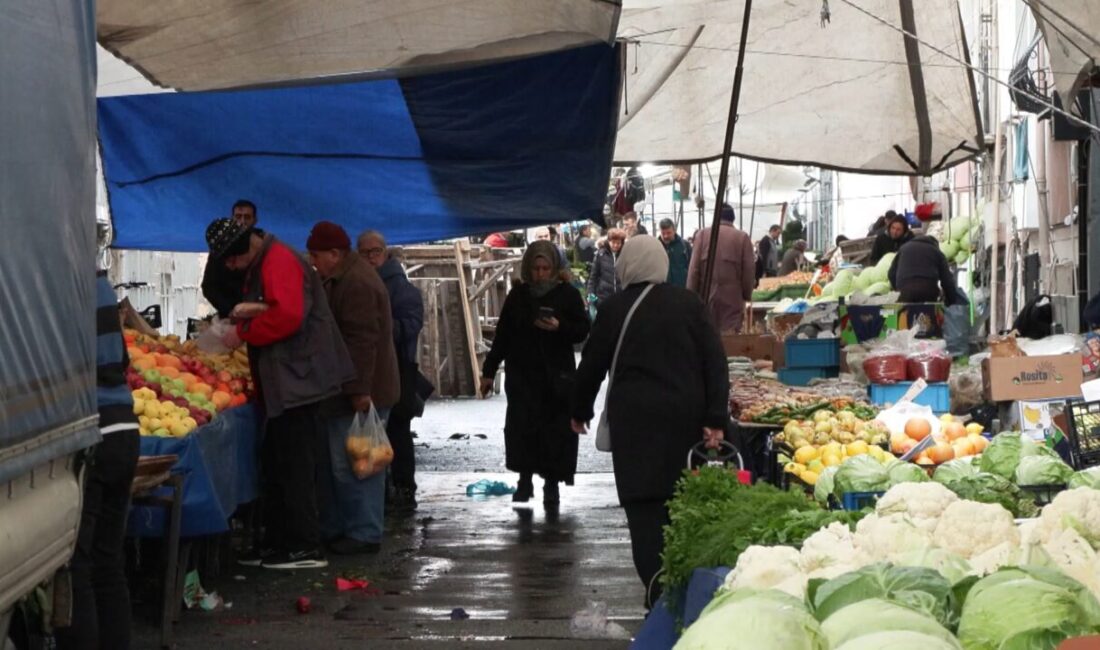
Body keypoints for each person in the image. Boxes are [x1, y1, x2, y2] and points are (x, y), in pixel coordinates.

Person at [570, 235, 729, 609]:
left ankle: (658, 593)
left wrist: (579, 410)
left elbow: (591, 364)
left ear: (626, 265)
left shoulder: (614, 308)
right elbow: (715, 362)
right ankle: (687, 591)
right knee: (683, 506)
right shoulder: (689, 305)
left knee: (643, 512)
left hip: (635, 427)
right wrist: (715, 418)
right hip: (684, 422)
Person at [206, 218, 355, 569]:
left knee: (294, 462)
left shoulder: (279, 261)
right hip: (286, 380)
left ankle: (303, 545)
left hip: (298, 379)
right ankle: (279, 541)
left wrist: (243, 332)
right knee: (277, 460)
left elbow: (288, 316)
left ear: (243, 250)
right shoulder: (269, 259)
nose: (229, 267)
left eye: (230, 260)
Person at [55, 273, 142, 650]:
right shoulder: (99, 283)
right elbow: (119, 358)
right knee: (108, 561)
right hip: (124, 425)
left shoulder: (59, 280)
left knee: (79, 564)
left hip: (91, 431)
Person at [306, 222, 401, 554]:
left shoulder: (356, 283)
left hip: (359, 392)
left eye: (317, 255)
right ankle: (349, 529)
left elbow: (362, 342)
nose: (314, 262)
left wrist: (360, 392)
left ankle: (363, 533)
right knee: (351, 463)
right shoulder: (344, 276)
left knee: (359, 464)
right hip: (350, 390)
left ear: (335, 253)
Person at [479, 241, 590, 505]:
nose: (540, 273)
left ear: (554, 268)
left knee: (555, 434)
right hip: (523, 378)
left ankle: (552, 485)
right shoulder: (518, 296)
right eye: (536, 268)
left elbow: (582, 330)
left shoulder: (568, 295)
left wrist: (559, 327)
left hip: (556, 379)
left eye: (545, 268)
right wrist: (488, 371)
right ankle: (524, 481)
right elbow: (503, 336)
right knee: (523, 431)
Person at [359, 230, 425, 513]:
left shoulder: (402, 289)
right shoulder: (357, 284)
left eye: (375, 252)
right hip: (368, 370)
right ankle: (381, 490)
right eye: (364, 253)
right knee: (370, 431)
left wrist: (379, 327)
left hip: (398, 367)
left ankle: (403, 487)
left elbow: (411, 325)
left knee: (396, 429)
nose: (370, 258)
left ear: (384, 253)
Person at [686, 204, 755, 334]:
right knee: (729, 340)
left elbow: (693, 270)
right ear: (732, 219)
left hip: (705, 298)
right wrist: (746, 294)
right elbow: (749, 271)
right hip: (732, 299)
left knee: (706, 338)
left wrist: (691, 298)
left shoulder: (702, 235)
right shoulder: (742, 238)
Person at [201, 199, 258, 317]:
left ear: (254, 220)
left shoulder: (260, 245)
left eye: (247, 217)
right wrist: (229, 310)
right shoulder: (220, 246)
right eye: (238, 217)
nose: (242, 221)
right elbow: (209, 286)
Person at [887, 235, 960, 305]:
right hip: (928, 292)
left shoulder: (904, 248)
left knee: (904, 315)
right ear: (936, 245)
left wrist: (899, 289)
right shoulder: (937, 252)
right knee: (926, 315)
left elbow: (891, 274)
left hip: (905, 292)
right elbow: (947, 280)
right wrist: (951, 301)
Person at [587, 228, 626, 311]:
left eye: (618, 243)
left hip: (621, 298)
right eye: (613, 242)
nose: (615, 245)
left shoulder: (625, 255)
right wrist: (591, 296)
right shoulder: (600, 255)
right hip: (603, 298)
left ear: (622, 243)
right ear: (608, 241)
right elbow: (593, 277)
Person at [658, 218, 692, 287]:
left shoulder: (685, 245)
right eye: (663, 233)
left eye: (668, 233)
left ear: (674, 231)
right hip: (663, 289)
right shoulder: (656, 247)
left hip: (681, 289)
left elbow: (692, 266)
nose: (666, 236)